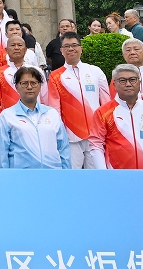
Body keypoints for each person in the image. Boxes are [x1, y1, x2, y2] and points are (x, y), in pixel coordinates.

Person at [45, 32, 108, 169]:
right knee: (72, 175)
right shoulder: (55, 76)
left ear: (81, 48)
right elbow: (55, 108)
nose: (71, 49)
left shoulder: (95, 71)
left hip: (95, 135)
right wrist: (58, 132)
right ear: (61, 51)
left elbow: (106, 103)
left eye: (74, 45)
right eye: (66, 46)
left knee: (96, 175)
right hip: (71, 136)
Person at [90, 64, 143, 170]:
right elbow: (96, 145)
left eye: (132, 80)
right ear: (114, 84)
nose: (128, 84)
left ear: (139, 82)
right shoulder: (103, 112)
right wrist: (105, 174)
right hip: (117, 175)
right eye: (122, 80)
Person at [0, 66, 71, 169]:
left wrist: (67, 173)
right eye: (24, 83)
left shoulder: (52, 114)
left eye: (34, 83)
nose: (29, 87)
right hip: (21, 175)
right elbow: (2, 153)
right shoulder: (7, 116)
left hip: (53, 173)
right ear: (16, 86)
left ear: (40, 86)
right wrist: (5, 176)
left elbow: (63, 148)